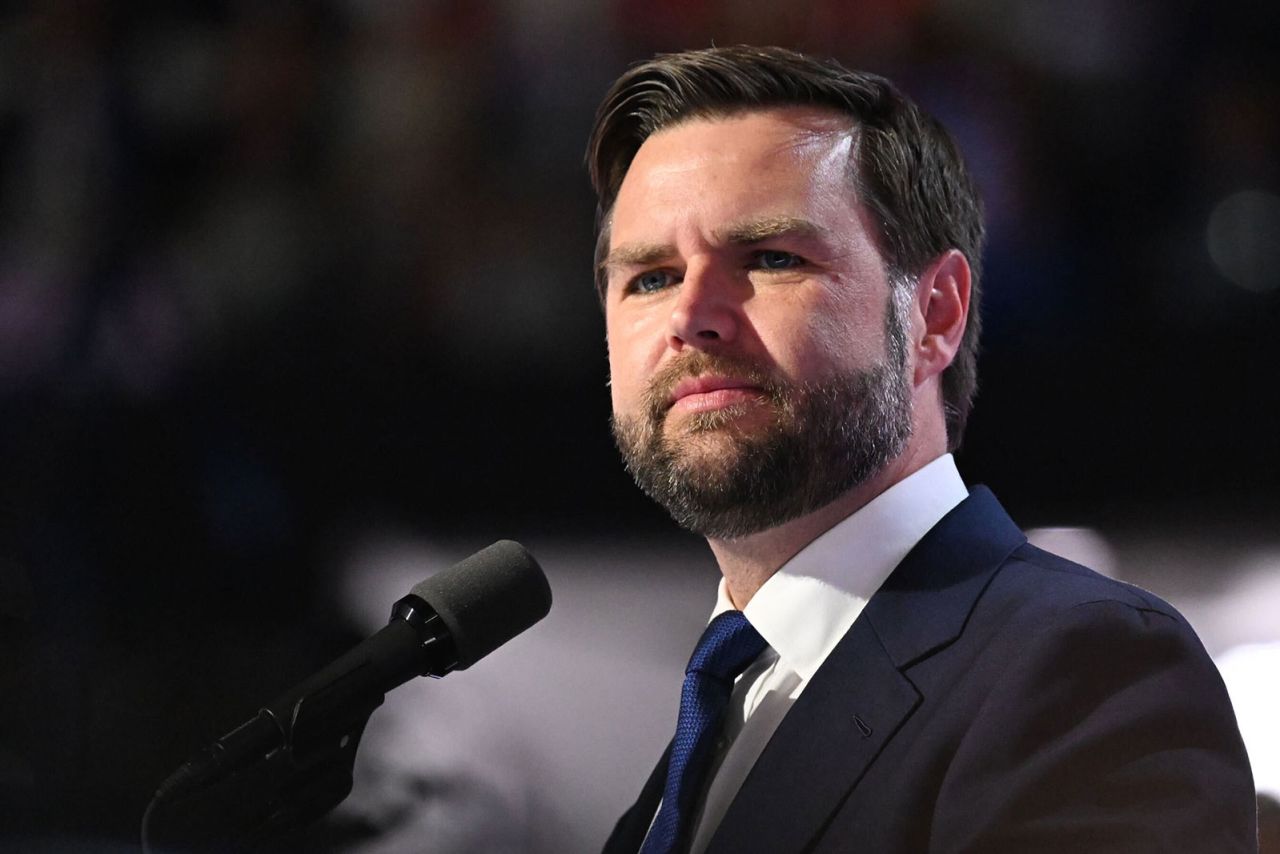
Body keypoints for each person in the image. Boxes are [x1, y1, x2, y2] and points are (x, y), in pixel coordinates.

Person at [587, 45, 1257, 853]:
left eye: (770, 258)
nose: (691, 314)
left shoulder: (1088, 670)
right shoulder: (723, 709)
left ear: (934, 315)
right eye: (650, 277)